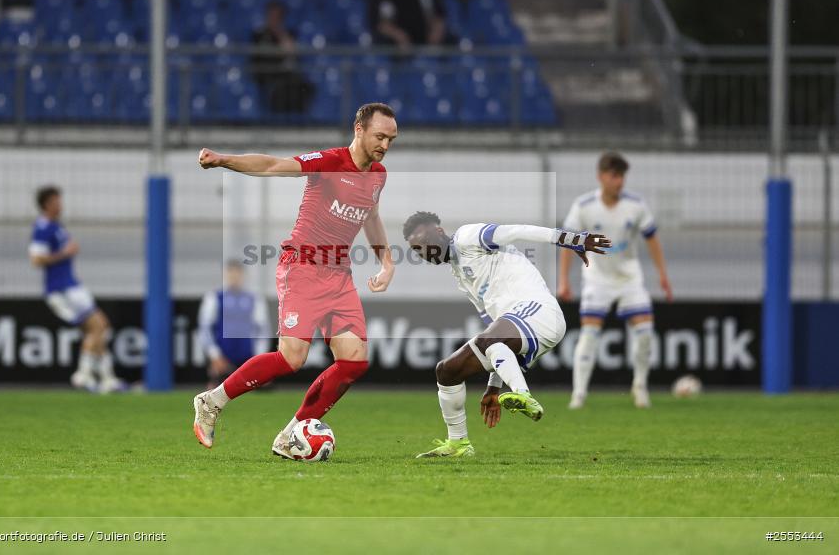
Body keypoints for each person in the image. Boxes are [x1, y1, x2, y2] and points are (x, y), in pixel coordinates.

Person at [192, 102, 397, 458]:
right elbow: (273, 165)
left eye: (392, 139)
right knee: (292, 357)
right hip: (302, 267)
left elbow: (371, 215)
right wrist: (225, 159)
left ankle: (291, 434)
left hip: (338, 274)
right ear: (359, 129)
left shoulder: (378, 174)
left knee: (354, 360)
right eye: (379, 136)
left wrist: (386, 260)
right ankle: (212, 401)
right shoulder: (330, 162)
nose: (385, 144)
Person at [403, 211, 610, 458]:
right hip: (516, 324)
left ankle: (523, 394)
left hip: (540, 312)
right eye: (417, 249)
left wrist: (571, 239)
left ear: (438, 231)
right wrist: (494, 387)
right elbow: (494, 333)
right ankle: (458, 444)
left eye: (425, 242)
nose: (424, 251)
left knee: (488, 340)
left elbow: (519, 230)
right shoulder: (460, 274)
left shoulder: (469, 237)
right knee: (447, 371)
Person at [558, 152, 674, 410]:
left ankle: (640, 388)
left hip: (629, 278)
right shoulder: (584, 205)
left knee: (645, 334)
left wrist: (662, 275)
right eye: (614, 176)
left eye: (622, 176)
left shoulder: (636, 205)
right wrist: (563, 280)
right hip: (597, 279)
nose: (619, 181)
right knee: (589, 334)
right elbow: (567, 241)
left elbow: (652, 238)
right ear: (601, 177)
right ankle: (578, 395)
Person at [28, 186, 124, 393]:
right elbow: (36, 259)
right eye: (56, 201)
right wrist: (65, 252)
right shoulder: (43, 227)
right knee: (99, 327)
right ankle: (84, 374)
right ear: (47, 204)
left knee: (99, 328)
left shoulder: (55, 225)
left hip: (71, 286)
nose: (60, 205)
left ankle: (107, 379)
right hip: (62, 289)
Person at [197, 259, 272, 390]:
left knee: (263, 388)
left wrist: (258, 358)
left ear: (243, 275)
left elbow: (263, 330)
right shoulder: (214, 297)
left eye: (237, 274)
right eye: (231, 274)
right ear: (225, 275)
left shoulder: (254, 299)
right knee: (215, 391)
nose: (234, 277)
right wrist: (215, 355)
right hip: (223, 359)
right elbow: (205, 329)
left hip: (248, 359)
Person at [251, 0, 314, 114]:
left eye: (278, 16)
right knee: (282, 89)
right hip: (266, 74)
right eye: (272, 15)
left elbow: (291, 51)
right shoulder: (259, 35)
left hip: (285, 74)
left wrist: (279, 32)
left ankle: (299, 121)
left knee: (303, 86)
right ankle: (277, 121)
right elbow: (260, 57)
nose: (274, 19)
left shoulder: (287, 33)